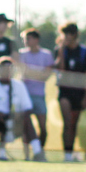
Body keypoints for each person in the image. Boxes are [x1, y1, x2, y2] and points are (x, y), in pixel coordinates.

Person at [0, 56, 41, 161]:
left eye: (9, 69)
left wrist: (16, 115)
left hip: (14, 122)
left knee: (27, 119)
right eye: (3, 68)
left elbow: (28, 108)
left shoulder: (19, 85)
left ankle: (38, 152)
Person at [55, 22, 86, 162]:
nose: (66, 37)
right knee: (67, 121)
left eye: (69, 34)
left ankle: (70, 152)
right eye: (64, 34)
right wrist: (61, 51)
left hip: (79, 93)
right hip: (64, 91)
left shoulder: (84, 52)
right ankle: (67, 154)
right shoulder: (60, 50)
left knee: (73, 124)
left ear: (75, 35)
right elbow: (61, 70)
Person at [17, 28, 52, 161]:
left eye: (28, 38)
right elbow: (23, 72)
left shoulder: (46, 54)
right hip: (24, 95)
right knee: (26, 126)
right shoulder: (21, 54)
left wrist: (30, 72)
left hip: (39, 95)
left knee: (43, 127)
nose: (26, 42)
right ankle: (26, 155)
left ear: (36, 39)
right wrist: (39, 73)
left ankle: (39, 152)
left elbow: (46, 76)